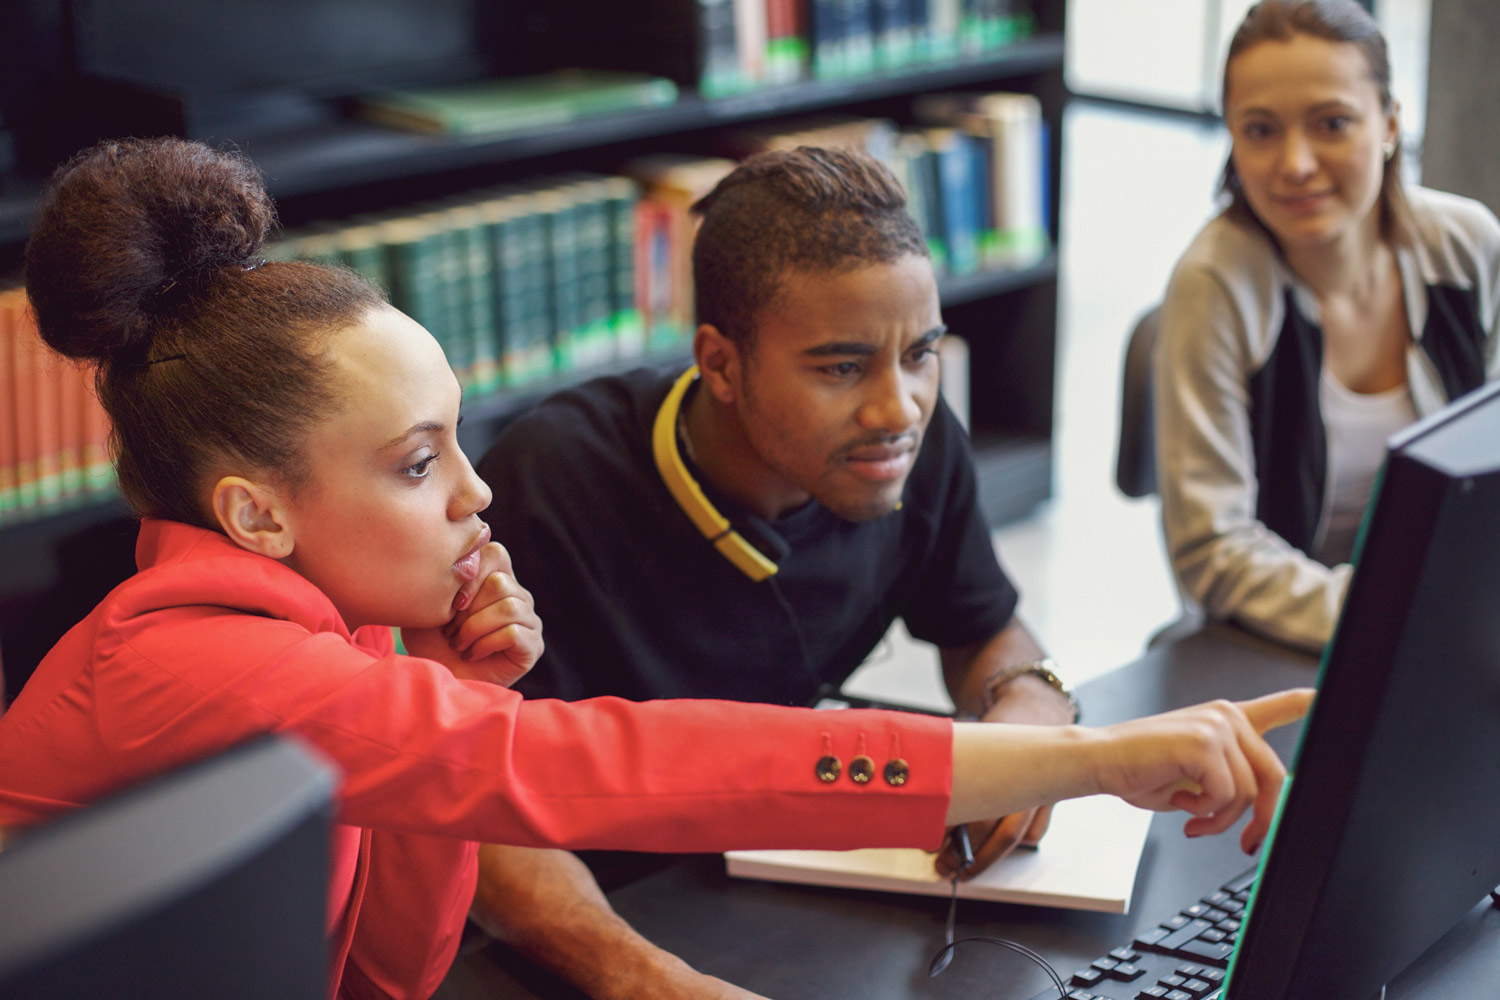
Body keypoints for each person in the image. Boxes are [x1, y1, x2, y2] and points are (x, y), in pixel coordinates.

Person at [0, 136, 1310, 1000]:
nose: (477, 489)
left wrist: (459, 695)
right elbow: (620, 764)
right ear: (257, 513)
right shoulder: (193, 661)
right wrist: (1091, 759)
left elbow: (382, 976)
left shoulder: (326, 642)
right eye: (417, 464)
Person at [467, 147, 1124, 998]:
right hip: (600, 914)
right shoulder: (552, 481)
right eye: (843, 367)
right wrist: (644, 980)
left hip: (780, 880)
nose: (900, 409)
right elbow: (475, 806)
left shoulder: (908, 447)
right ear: (721, 365)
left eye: (920, 354)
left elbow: (982, 626)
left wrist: (1031, 703)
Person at [1155, 0, 1500, 652]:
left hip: (1450, 624)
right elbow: (1212, 549)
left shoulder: (1467, 247)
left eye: (1332, 124)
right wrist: (1387, 613)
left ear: (1391, 122)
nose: (1296, 163)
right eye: (1260, 131)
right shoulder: (1215, 285)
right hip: (1279, 644)